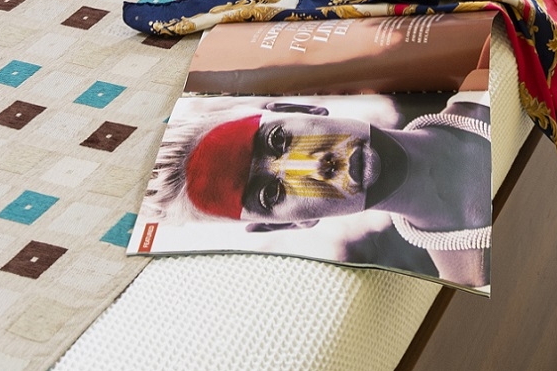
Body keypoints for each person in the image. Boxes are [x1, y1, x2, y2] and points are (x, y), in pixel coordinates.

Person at [175, 90, 494, 286]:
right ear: (290, 223)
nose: (315, 166)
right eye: (271, 193)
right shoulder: (473, 291)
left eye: (279, 139)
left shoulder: (488, 77)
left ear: (298, 109)